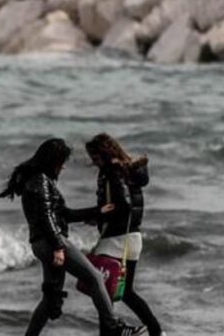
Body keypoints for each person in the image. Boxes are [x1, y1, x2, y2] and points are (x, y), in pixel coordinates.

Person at [0, 138, 143, 336]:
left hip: (41, 243)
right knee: (95, 278)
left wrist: (97, 211)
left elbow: (64, 214)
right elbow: (48, 217)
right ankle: (114, 327)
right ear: (53, 160)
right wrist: (58, 246)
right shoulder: (41, 182)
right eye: (61, 162)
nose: (63, 167)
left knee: (51, 299)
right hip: (51, 242)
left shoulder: (38, 181)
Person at [86, 134, 164, 336]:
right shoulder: (128, 169)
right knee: (125, 291)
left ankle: (109, 334)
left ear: (103, 153)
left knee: (103, 293)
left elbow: (121, 205)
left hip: (116, 238)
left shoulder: (111, 170)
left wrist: (98, 215)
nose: (92, 161)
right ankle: (156, 331)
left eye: (94, 156)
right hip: (133, 237)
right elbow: (125, 205)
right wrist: (101, 215)